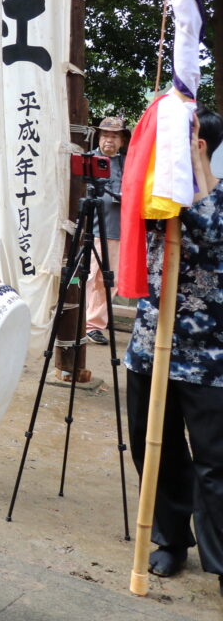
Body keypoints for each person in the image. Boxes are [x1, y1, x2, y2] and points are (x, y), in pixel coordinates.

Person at [124, 109, 223, 598]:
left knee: (214, 461)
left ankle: (221, 558)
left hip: (210, 357)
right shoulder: (157, 195)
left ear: (200, 146)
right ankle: (169, 539)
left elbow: (211, 227)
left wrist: (199, 173)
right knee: (152, 445)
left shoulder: (217, 196)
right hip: (150, 343)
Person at [85, 116, 127, 345]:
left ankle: (95, 324)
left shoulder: (127, 162)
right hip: (91, 228)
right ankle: (79, 320)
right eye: (105, 135)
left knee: (110, 280)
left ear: (121, 140)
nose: (109, 140)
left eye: (114, 136)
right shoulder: (87, 160)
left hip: (118, 230)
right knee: (89, 276)